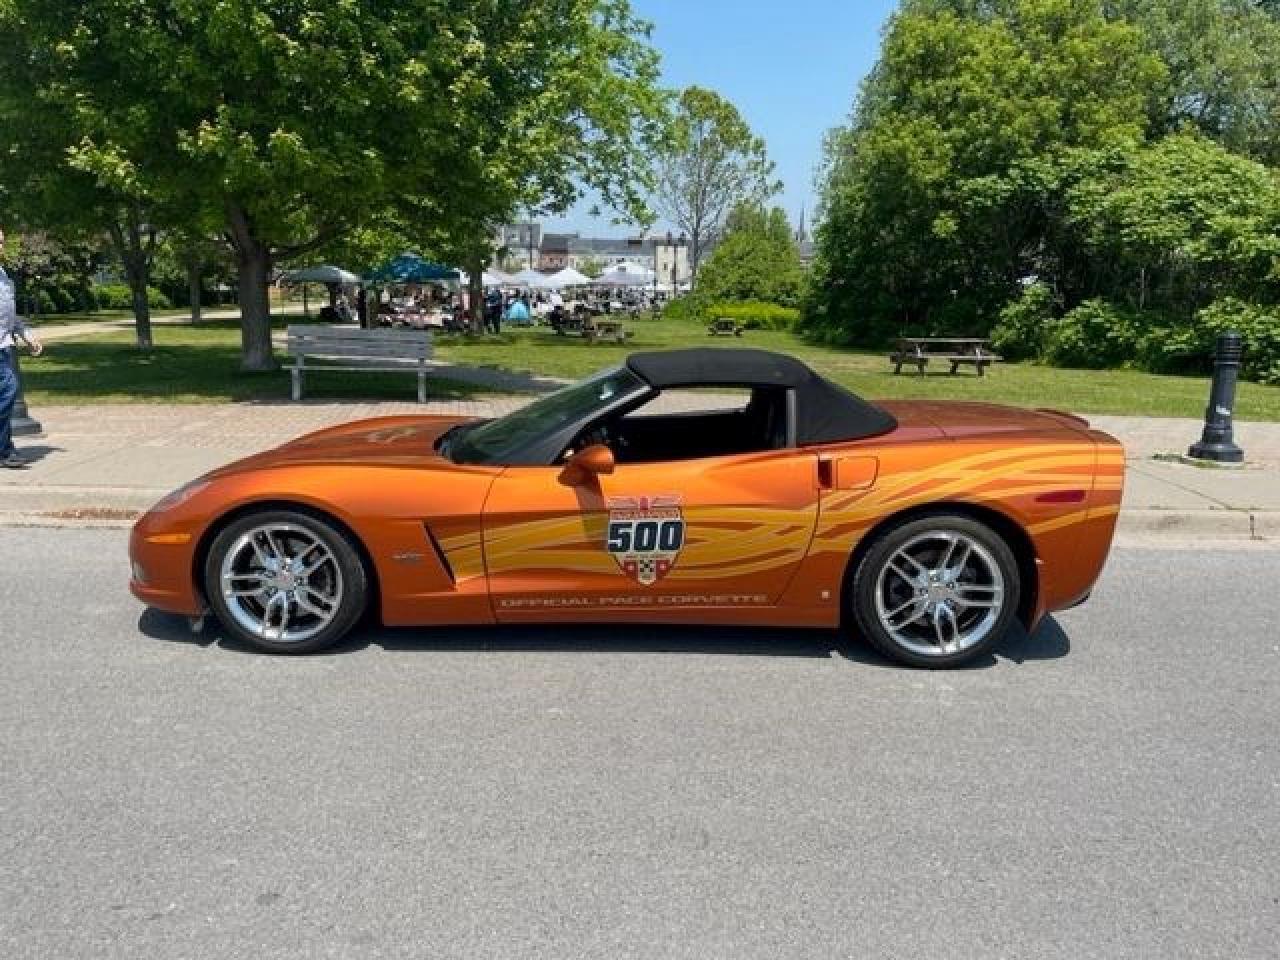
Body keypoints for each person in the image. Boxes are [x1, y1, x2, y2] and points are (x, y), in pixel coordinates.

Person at [0, 228, 44, 469]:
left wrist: (28, 336)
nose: (1, 247)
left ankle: (5, 451)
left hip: (4, 345)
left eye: (2, 242)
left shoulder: (3, 276)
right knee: (8, 390)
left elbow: (8, 315)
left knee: (5, 394)